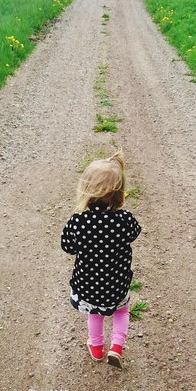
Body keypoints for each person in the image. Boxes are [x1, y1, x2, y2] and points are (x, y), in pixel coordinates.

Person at [61, 150, 141, 369]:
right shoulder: (124, 219)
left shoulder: (78, 220)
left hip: (89, 285)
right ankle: (116, 346)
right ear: (119, 193)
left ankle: (96, 348)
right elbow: (136, 232)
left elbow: (67, 247)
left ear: (86, 189)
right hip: (116, 283)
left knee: (94, 314)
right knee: (121, 311)